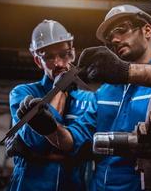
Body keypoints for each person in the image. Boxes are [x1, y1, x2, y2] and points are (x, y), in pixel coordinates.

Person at [26, 5, 151, 191]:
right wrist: (50, 129)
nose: (114, 40)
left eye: (122, 29)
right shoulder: (104, 93)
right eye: (109, 37)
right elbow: (74, 140)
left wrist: (127, 72)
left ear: (147, 31)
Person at [6, 19, 95, 191]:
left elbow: (82, 149)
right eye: (48, 57)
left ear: (73, 53)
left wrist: (39, 154)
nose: (59, 63)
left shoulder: (88, 100)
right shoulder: (22, 94)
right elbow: (36, 143)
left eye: (64, 54)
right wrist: (59, 89)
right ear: (38, 61)